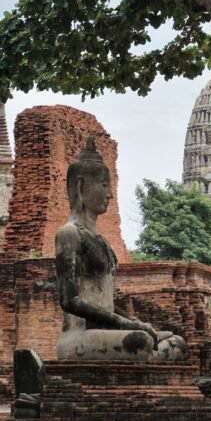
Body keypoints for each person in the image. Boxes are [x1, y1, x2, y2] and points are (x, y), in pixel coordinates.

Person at [54, 135, 186, 361]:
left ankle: (147, 359)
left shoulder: (101, 241)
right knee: (141, 341)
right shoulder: (69, 233)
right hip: (80, 337)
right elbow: (70, 301)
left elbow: (106, 304)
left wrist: (132, 320)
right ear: (80, 186)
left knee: (177, 342)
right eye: (104, 186)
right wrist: (125, 324)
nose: (110, 195)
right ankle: (148, 359)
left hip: (107, 333)